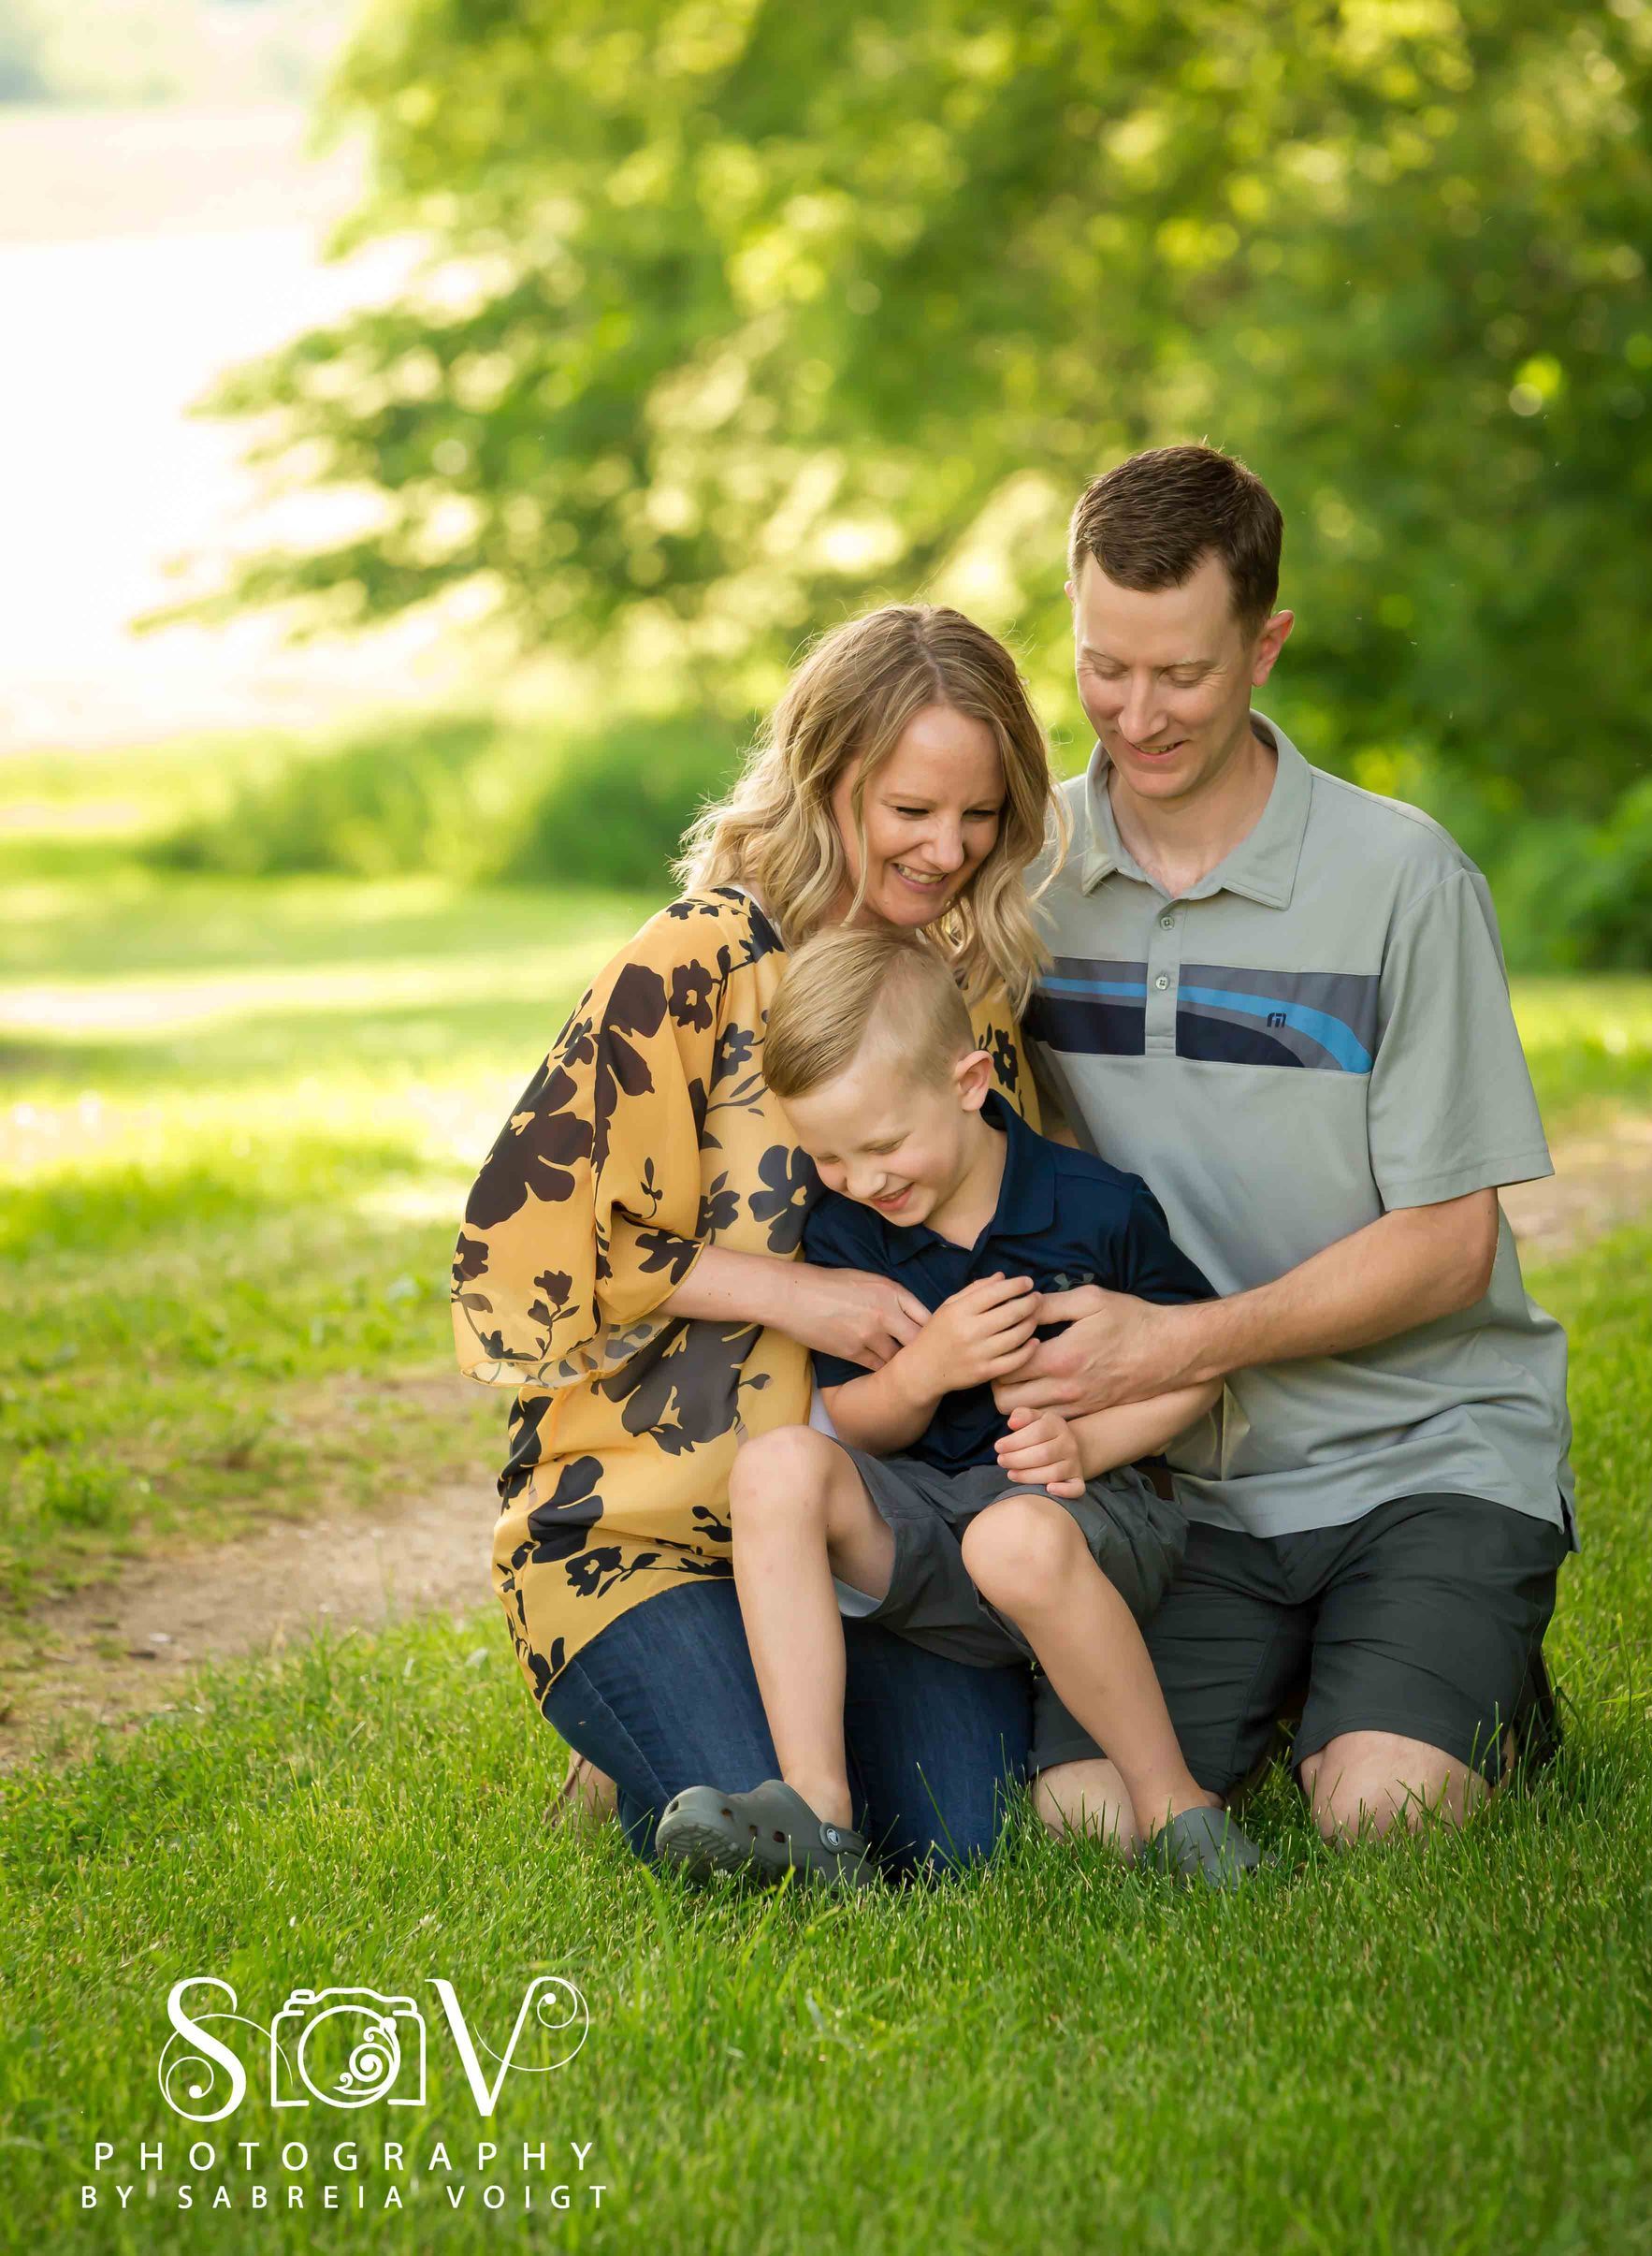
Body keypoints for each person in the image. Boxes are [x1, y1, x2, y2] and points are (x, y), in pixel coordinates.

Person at [1005, 443, 1575, 1852]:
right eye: (1102, 666)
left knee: (1381, 1810)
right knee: (1087, 1824)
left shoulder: (1402, 878)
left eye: (1181, 673)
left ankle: (1462, 1683)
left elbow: (1449, 1249)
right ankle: (1348, 1678)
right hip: (1190, 1477)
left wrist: (1180, 1344)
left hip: (1424, 1446)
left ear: (1265, 646)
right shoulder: (1029, 875)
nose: (1135, 714)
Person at [450, 604, 1066, 1876]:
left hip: (864, 1535)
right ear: (827, 776)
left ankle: (685, 1730)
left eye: (981, 814)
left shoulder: (966, 990)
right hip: (642, 1523)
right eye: (912, 810)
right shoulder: (699, 959)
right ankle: (647, 1710)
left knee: (964, 1838)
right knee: (765, 1835)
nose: (949, 849)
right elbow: (538, 1242)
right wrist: (805, 1295)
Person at [652, 927, 1263, 1891]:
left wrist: (1087, 1437)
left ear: (970, 1080)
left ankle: (1177, 1808)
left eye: (884, 1144)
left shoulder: (1093, 1206)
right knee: (776, 1465)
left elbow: (1200, 1366)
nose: (862, 1178)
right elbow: (854, 1423)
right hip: (935, 1531)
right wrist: (922, 1370)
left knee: (1013, 1540)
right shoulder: (847, 1229)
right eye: (830, 1156)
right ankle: (818, 1811)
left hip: (1091, 1527)